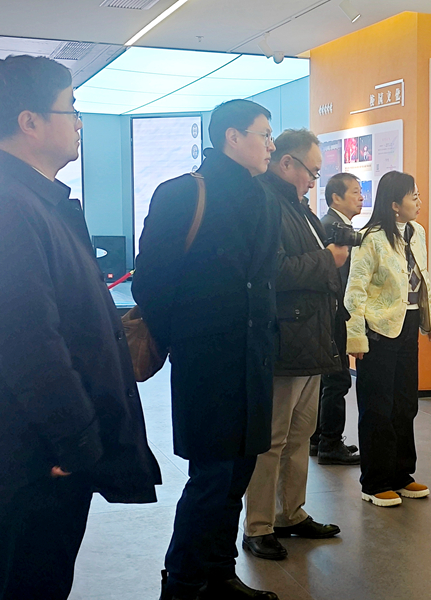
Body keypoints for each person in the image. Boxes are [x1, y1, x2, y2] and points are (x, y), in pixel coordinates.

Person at [0, 55, 161, 600]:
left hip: (43, 453)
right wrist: (74, 444)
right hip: (36, 460)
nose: (79, 123)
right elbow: (29, 346)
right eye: (71, 109)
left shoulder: (30, 200)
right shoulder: (7, 209)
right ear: (30, 122)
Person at [133, 98, 280, 600]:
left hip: (254, 360)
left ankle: (219, 573)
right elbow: (151, 283)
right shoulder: (182, 194)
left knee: (238, 474)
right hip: (208, 364)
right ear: (233, 138)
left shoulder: (264, 197)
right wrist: (189, 340)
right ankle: (182, 582)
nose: (270, 144)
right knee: (211, 478)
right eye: (263, 134)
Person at [243, 129, 346, 561]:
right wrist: (328, 260)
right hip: (285, 339)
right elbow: (275, 271)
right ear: (287, 163)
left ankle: (291, 512)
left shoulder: (299, 207)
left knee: (301, 433)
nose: (313, 181)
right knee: (273, 438)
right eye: (311, 172)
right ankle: (259, 524)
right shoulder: (267, 204)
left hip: (311, 337)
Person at [345, 171, 431, 507]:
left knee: (406, 403)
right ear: (394, 204)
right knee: (377, 406)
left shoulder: (417, 232)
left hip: (409, 324)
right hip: (378, 330)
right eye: (413, 197)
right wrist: (355, 337)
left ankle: (402, 475)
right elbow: (355, 291)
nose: (419, 202)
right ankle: (374, 482)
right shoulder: (370, 238)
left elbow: (421, 279)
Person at [310, 172, 364, 465]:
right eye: (354, 192)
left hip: (331, 313)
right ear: (336, 197)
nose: (361, 197)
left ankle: (318, 438)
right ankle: (330, 443)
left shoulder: (334, 225)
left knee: (328, 378)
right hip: (333, 314)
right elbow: (338, 278)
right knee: (337, 379)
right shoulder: (333, 228)